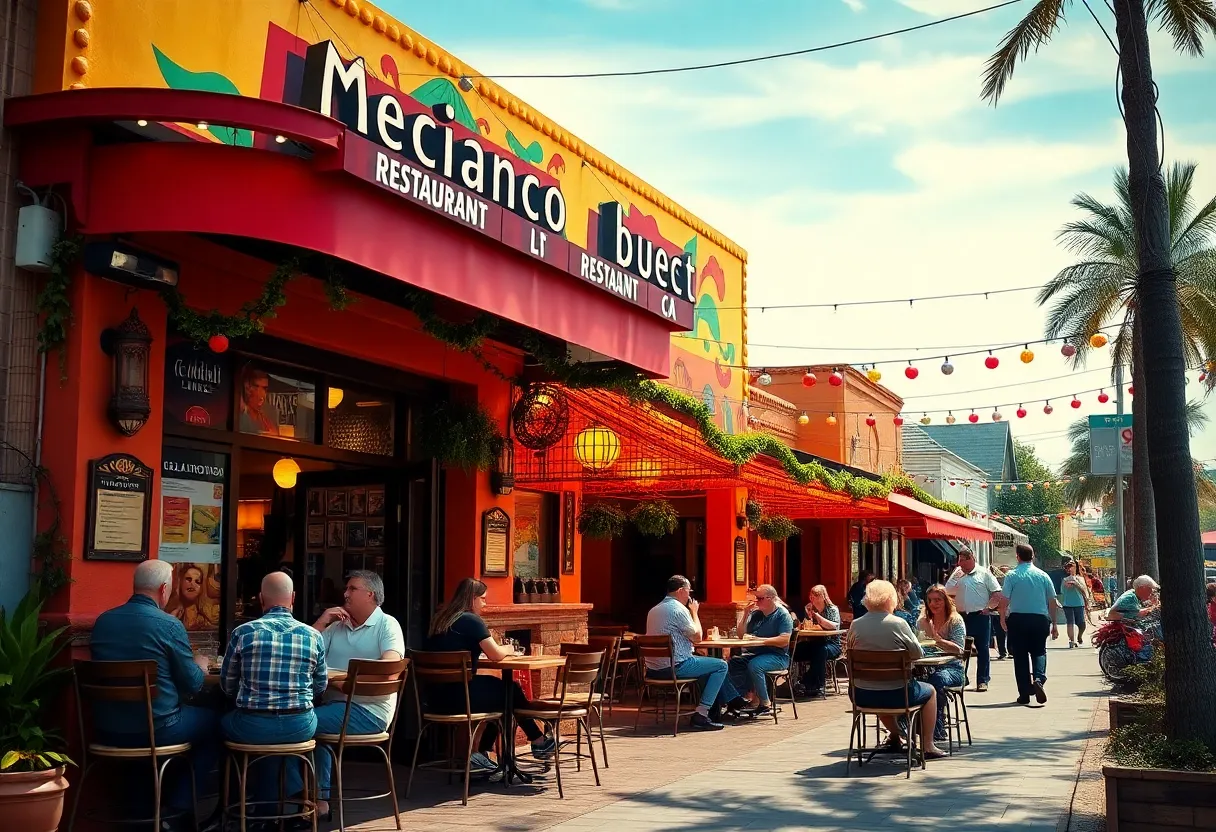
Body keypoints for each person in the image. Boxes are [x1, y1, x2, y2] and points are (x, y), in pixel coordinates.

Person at [90, 560, 220, 831]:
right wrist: (200, 663)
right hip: (157, 728)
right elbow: (194, 684)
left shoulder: (104, 622)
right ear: (164, 589)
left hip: (106, 728)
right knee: (218, 724)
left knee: (147, 721)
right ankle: (178, 811)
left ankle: (141, 809)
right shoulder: (168, 625)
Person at [220, 572, 327, 815]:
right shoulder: (313, 636)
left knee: (222, 725)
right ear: (293, 598)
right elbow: (320, 685)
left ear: (260, 598)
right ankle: (280, 808)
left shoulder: (243, 632)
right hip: (300, 724)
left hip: (252, 725)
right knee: (280, 740)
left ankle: (235, 808)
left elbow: (227, 685)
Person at [426, 578, 555, 774]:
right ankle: (536, 741)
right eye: (483, 599)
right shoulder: (471, 620)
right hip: (462, 699)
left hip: (435, 699)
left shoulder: (441, 618)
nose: (485, 605)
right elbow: (495, 654)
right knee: (510, 690)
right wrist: (510, 648)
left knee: (503, 695)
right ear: (472, 599)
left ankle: (483, 754)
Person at [307, 570, 404, 818]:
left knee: (301, 723)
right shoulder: (337, 624)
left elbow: (389, 670)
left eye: (352, 589)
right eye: (346, 589)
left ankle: (311, 799)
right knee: (305, 721)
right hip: (332, 706)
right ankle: (313, 798)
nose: (345, 593)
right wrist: (322, 621)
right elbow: (303, 651)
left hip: (369, 711)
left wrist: (342, 684)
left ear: (370, 594)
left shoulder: (387, 624)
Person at [845, 580, 947, 760]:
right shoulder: (898, 623)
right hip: (898, 693)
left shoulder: (855, 625)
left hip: (861, 694)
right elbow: (917, 654)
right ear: (891, 599)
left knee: (877, 689)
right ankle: (928, 744)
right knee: (930, 691)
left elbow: (849, 652)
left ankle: (899, 735)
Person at [644, 575, 744, 730]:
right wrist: (694, 612)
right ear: (680, 590)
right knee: (721, 665)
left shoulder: (653, 610)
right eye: (688, 591)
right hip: (676, 666)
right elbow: (697, 638)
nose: (690, 595)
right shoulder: (679, 609)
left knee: (708, 665)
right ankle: (702, 714)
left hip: (653, 670)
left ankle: (729, 702)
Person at [999, 544, 1059, 706]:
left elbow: (1004, 600)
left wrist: (1002, 618)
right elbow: (1052, 601)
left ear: (1017, 556)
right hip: (1039, 619)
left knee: (1020, 657)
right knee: (1039, 651)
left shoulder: (1012, 575)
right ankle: (1039, 678)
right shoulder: (1043, 576)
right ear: (1033, 557)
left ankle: (1024, 694)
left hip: (1018, 619)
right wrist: (1054, 623)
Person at [728, 584, 794, 719]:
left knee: (755, 665)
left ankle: (765, 703)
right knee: (733, 663)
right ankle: (737, 699)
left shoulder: (782, 615)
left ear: (771, 598)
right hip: (756, 653)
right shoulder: (756, 614)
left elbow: (784, 640)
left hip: (778, 656)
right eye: (756, 598)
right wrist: (745, 614)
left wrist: (761, 640)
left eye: (760, 598)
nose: (756, 601)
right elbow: (741, 635)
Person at [945, 548, 1001, 692]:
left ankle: (982, 680)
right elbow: (948, 590)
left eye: (962, 560)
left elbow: (997, 592)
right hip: (962, 616)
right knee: (961, 649)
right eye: (959, 560)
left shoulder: (984, 573)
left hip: (980, 615)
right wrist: (957, 575)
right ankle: (962, 678)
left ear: (971, 559)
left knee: (982, 649)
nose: (959, 563)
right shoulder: (958, 573)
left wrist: (989, 608)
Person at [916, 585, 967, 743]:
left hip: (952, 668)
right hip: (927, 666)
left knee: (935, 681)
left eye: (938, 600)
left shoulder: (955, 621)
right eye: (930, 600)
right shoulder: (923, 621)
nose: (933, 604)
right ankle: (907, 730)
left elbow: (959, 649)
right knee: (909, 682)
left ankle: (936, 730)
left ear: (946, 601)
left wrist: (937, 639)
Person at [795, 585, 842, 697]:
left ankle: (814, 684)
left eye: (815, 595)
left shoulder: (832, 609)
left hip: (832, 644)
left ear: (823, 596)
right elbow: (807, 625)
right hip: (815, 642)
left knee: (821, 651)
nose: (812, 598)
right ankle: (792, 682)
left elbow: (833, 626)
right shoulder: (810, 608)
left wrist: (816, 615)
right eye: (811, 596)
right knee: (796, 650)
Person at [1059, 560, 1092, 648]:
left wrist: (1075, 583)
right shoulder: (1064, 579)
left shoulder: (1080, 578)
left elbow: (1084, 590)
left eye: (1072, 566)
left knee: (1081, 623)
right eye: (1069, 567)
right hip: (1067, 604)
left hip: (1079, 604)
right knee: (1070, 622)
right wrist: (1067, 586)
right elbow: (1062, 591)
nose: (1070, 568)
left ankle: (1079, 636)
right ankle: (1071, 641)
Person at [987, 567, 1008, 660]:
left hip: (995, 612)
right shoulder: (1001, 585)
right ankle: (1003, 651)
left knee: (998, 633)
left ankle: (1003, 651)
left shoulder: (991, 586)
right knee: (1000, 633)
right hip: (996, 612)